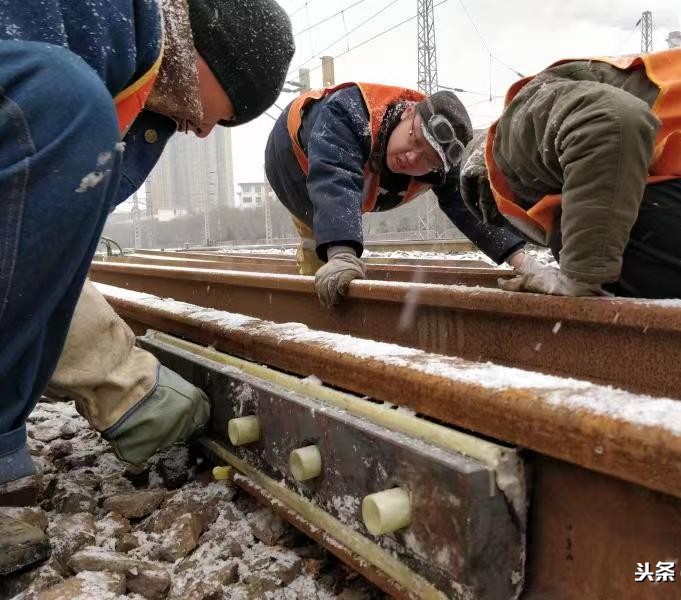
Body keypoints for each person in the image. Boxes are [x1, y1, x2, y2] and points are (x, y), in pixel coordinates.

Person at [0, 0, 294, 574]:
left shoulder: (133, 85)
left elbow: (38, 250)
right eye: (224, 115)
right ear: (212, 63)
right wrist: (115, 376)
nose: (208, 130)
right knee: (68, 100)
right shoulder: (91, 23)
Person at [460, 48, 681, 307]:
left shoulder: (513, 140)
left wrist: (578, 279)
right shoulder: (588, 86)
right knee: (601, 227)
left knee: (589, 240)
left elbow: (614, 121)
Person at [265, 83, 529, 306]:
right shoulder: (348, 113)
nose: (411, 156)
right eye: (414, 140)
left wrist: (524, 263)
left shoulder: (439, 168)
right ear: (409, 113)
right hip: (291, 160)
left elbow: (465, 206)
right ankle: (315, 281)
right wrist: (342, 254)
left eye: (426, 158)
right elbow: (335, 177)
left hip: (359, 177)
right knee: (319, 238)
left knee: (333, 231)